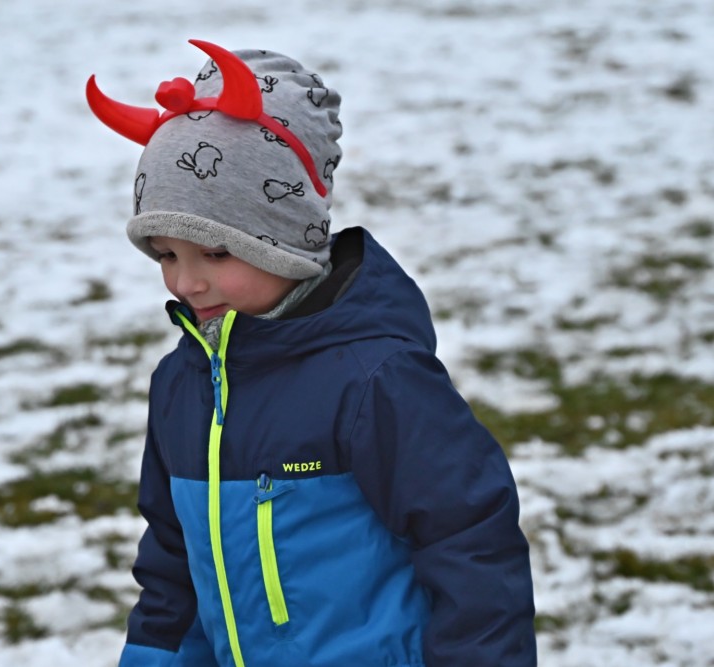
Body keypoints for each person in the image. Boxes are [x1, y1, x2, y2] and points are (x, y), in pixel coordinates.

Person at [86, 39, 537, 667]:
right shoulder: (182, 385)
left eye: (215, 253)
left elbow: (470, 543)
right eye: (166, 255)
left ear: (284, 245)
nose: (186, 282)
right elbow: (173, 563)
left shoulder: (374, 380)